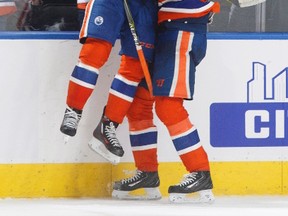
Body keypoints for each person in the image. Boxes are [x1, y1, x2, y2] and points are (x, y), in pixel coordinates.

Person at [112, 0, 220, 203]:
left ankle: (200, 171)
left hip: (183, 28)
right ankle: (147, 172)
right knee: (138, 105)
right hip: (162, 30)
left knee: (168, 106)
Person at [60, 0, 158, 165]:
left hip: (146, 6)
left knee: (134, 68)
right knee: (94, 52)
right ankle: (73, 111)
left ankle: (108, 126)